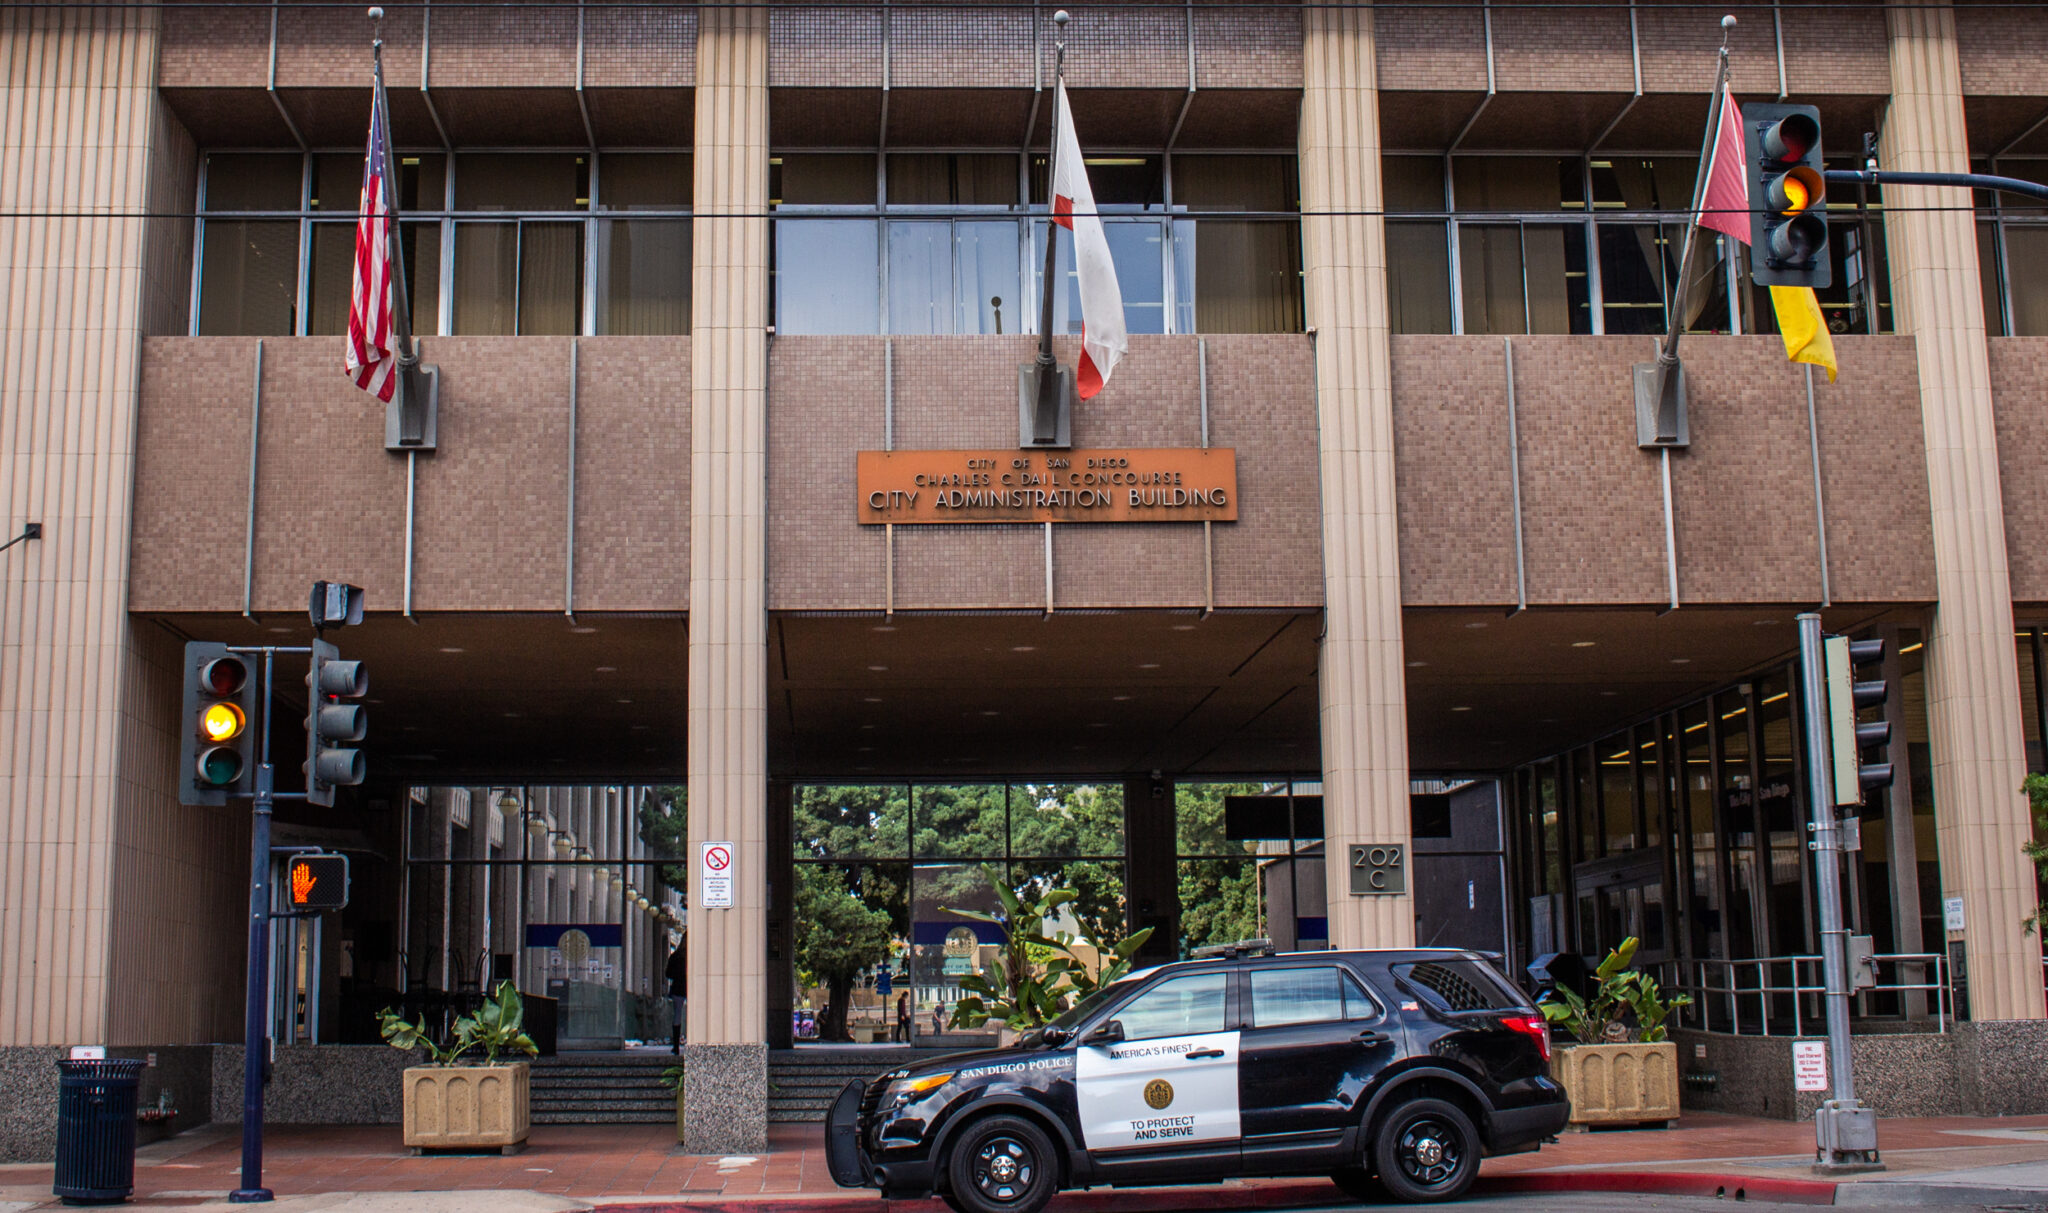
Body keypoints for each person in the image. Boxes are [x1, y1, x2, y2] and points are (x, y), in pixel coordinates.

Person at [664, 933, 687, 1055]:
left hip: (678, 988)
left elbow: (668, 974)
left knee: (677, 1015)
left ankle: (676, 1046)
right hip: (691, 988)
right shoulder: (694, 956)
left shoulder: (675, 956)